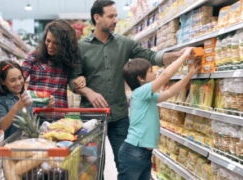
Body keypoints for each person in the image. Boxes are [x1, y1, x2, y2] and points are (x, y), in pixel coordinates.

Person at [71, 0, 192, 171]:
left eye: (116, 16)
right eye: (111, 16)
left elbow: (150, 56)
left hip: (119, 116)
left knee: (125, 163)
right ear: (97, 17)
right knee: (91, 165)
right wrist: (88, 91)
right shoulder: (81, 48)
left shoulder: (124, 43)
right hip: (91, 117)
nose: (115, 20)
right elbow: (73, 80)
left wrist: (177, 55)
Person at [118, 48, 200, 180]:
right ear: (141, 78)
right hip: (134, 151)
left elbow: (169, 93)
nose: (155, 73)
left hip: (143, 152)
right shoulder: (140, 93)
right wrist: (184, 55)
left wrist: (189, 75)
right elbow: (165, 76)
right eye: (150, 71)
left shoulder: (147, 96)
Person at [22, 20, 85, 108]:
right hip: (35, 114)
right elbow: (20, 79)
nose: (50, 46)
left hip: (58, 114)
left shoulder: (69, 60)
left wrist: (81, 78)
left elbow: (75, 78)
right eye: (48, 41)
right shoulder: (34, 57)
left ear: (65, 44)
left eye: (56, 43)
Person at [0, 61, 55, 138]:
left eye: (20, 78)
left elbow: (43, 115)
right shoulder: (0, 101)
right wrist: (17, 106)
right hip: (13, 145)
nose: (18, 83)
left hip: (32, 141)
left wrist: (49, 106)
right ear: (3, 82)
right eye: (13, 80)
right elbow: (2, 126)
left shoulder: (28, 95)